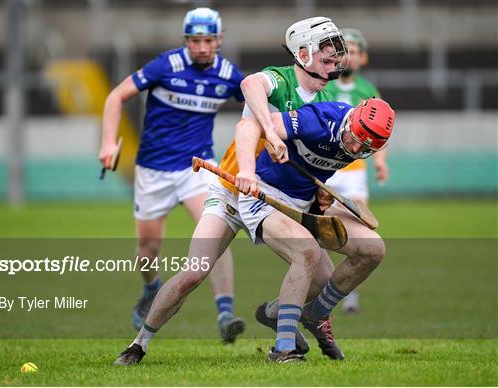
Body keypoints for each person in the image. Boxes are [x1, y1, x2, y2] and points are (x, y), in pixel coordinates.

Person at [112, 16, 349, 367]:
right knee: (194, 271)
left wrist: (321, 193)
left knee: (324, 280)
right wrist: (269, 129)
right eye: (326, 59)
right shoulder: (277, 79)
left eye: (335, 60)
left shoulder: (328, 98)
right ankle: (139, 344)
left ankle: (274, 314)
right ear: (302, 54)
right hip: (232, 190)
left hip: (276, 200)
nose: (333, 65)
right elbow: (252, 84)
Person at [98, 7, 246, 343]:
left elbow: (256, 100)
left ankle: (225, 313)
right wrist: (108, 142)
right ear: (187, 41)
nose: (203, 47)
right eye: (196, 41)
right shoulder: (166, 66)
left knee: (215, 231)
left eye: (209, 40)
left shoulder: (227, 74)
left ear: (219, 40)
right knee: (148, 249)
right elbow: (115, 96)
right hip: (153, 171)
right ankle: (151, 287)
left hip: (198, 167)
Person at [234, 98, 396, 362]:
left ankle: (314, 313)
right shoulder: (319, 121)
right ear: (352, 119)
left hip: (306, 204)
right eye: (355, 138)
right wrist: (247, 172)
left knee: (373, 249)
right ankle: (283, 348)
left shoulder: (356, 144)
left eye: (364, 147)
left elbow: (317, 168)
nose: (355, 148)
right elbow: (247, 126)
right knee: (307, 252)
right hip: (264, 196)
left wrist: (322, 191)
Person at [323, 28, 388, 314]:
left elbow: (379, 132)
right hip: (327, 169)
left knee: (361, 229)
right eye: (342, 49)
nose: (347, 55)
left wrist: (380, 161)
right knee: (321, 227)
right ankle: (323, 285)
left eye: (352, 50)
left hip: (355, 170)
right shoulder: (324, 85)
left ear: (363, 57)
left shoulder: (368, 91)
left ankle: (350, 298)